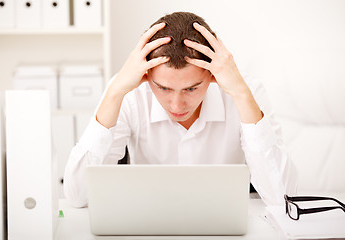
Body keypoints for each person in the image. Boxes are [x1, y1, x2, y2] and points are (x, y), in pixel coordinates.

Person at [64, 12, 297, 208]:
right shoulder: (129, 92)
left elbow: (283, 198)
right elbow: (78, 197)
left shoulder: (245, 91)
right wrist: (114, 93)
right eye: (163, 88)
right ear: (146, 76)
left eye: (191, 89)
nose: (176, 106)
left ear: (212, 75)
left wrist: (242, 95)